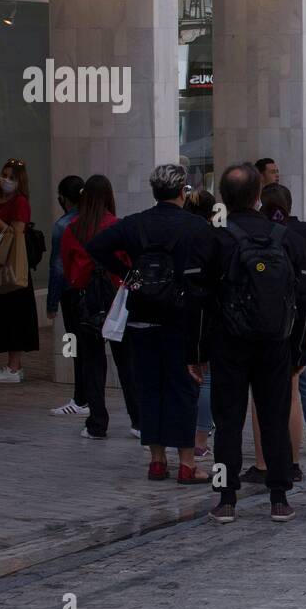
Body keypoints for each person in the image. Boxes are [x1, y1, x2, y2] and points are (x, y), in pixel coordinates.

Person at [198, 164, 306, 523]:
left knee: (227, 420)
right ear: (257, 196)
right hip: (275, 343)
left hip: (228, 343)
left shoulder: (217, 239)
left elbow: (200, 301)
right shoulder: (286, 238)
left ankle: (226, 499)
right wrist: (298, 349)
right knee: (273, 418)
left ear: (223, 199)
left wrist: (197, 352)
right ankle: (279, 497)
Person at [87, 164, 210, 483]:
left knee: (149, 387)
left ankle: (157, 461)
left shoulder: (134, 224)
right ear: (183, 191)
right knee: (183, 389)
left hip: (141, 317)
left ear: (154, 192)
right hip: (180, 319)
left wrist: (127, 274)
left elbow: (96, 245)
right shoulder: (195, 226)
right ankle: (186, 463)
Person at [241, 183, 306, 480]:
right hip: (302, 322)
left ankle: (264, 463)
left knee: (261, 397)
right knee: (297, 390)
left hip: (267, 327)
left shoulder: (260, 238)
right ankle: (292, 461)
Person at [59, 174, 141, 440]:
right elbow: (130, 264)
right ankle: (138, 420)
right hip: (116, 301)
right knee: (126, 361)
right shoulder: (117, 226)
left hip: (86, 301)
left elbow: (68, 270)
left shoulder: (73, 229)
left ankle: (97, 423)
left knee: (92, 363)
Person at [0, 158, 40, 383]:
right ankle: (10, 365)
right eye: (4, 175)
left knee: (16, 313)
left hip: (13, 264)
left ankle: (14, 367)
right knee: (0, 313)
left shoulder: (20, 202)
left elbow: (15, 233)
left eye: (11, 177)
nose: (5, 180)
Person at [47, 174, 86, 416]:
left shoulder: (64, 226)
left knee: (76, 347)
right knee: (88, 349)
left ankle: (82, 398)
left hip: (73, 293)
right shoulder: (97, 220)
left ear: (64, 198)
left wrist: (52, 302)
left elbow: (57, 267)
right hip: (96, 293)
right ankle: (86, 397)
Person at [184, 189, 217, 458]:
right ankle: (200, 438)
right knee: (206, 378)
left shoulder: (178, 234)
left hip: (176, 310)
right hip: (206, 313)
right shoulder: (212, 236)